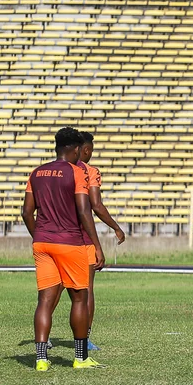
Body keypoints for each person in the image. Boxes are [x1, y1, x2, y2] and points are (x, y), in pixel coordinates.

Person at [21, 127, 106, 371]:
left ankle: (40, 360)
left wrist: (39, 235)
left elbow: (27, 212)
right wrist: (97, 246)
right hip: (70, 242)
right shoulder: (77, 172)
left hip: (43, 242)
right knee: (80, 298)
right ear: (76, 149)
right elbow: (83, 210)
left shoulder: (36, 173)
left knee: (45, 301)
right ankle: (80, 358)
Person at [74, 131, 126, 351]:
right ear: (85, 150)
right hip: (82, 238)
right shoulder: (89, 172)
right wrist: (115, 227)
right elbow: (95, 205)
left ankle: (43, 338)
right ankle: (84, 340)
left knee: (52, 291)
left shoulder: (55, 170)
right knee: (86, 290)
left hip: (56, 237)